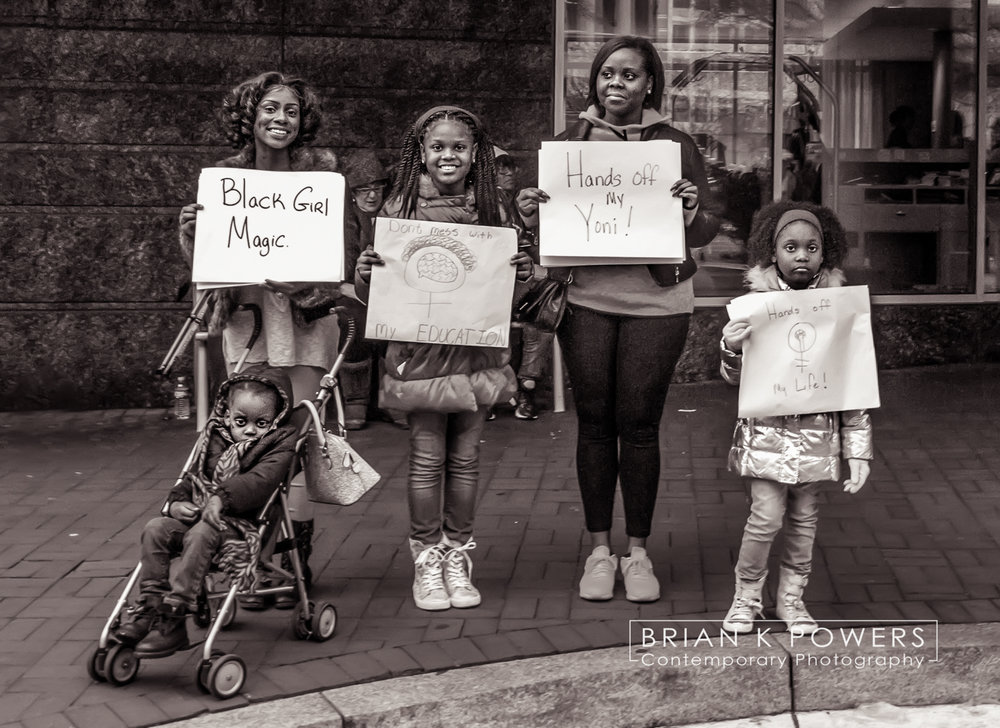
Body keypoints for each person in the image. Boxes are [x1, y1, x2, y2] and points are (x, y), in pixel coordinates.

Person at [515, 35, 720, 603]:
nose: (617, 84)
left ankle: (640, 552)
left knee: (640, 424)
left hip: (658, 305)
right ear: (595, 82)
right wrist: (529, 213)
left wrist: (691, 209)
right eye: (608, 73)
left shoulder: (675, 146)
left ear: (649, 82)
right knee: (596, 423)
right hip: (587, 302)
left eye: (630, 74)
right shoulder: (567, 145)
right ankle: (600, 551)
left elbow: (705, 231)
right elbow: (544, 230)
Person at [177, 71, 359, 607]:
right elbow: (209, 270)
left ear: (304, 122)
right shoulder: (225, 180)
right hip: (250, 323)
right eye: (271, 108)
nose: (281, 119)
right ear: (249, 114)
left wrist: (305, 282)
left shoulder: (325, 176)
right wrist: (193, 235)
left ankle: (292, 557)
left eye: (292, 111)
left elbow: (344, 255)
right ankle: (247, 555)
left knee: (298, 439)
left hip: (304, 323)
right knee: (247, 442)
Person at [354, 105, 534, 611]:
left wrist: (520, 273)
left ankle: (458, 553)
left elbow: (507, 298)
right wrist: (368, 271)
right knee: (427, 460)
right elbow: (381, 293)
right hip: (421, 354)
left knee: (467, 460)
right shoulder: (399, 208)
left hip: (475, 352)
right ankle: (427, 557)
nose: (448, 155)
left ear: (475, 153)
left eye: (458, 146)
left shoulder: (495, 211)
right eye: (438, 147)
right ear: (422, 153)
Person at [719, 200, 873, 636]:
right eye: (791, 247)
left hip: (817, 442)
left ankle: (791, 601)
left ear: (826, 254)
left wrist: (858, 451)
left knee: (804, 520)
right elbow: (733, 379)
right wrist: (730, 348)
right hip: (766, 438)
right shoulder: (754, 307)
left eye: (811, 247)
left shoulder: (840, 310)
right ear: (773, 251)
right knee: (765, 518)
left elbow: (854, 385)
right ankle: (746, 598)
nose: (801, 255)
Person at [115, 366, 296, 656]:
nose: (250, 429)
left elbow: (259, 482)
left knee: (202, 531)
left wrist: (221, 498)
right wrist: (177, 502)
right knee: (156, 528)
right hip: (201, 517)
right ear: (226, 416)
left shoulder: (279, 444)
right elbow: (193, 477)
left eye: (261, 423)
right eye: (241, 421)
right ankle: (150, 605)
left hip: (242, 525)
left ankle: (175, 614)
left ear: (276, 419)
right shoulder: (216, 437)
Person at [495, 146, 553, 421]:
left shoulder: (524, 200)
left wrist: (530, 223)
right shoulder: (476, 202)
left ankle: (527, 385)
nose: (507, 172)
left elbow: (543, 251)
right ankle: (496, 390)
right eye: (499, 167)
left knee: (546, 302)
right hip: (487, 286)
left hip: (522, 284)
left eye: (510, 166)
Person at [339, 151, 391, 430]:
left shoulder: (393, 216)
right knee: (354, 318)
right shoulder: (341, 222)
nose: (371, 196)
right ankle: (355, 398)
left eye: (377, 188)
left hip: (388, 293)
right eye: (363, 189)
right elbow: (337, 275)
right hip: (348, 291)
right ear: (352, 193)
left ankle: (391, 396)